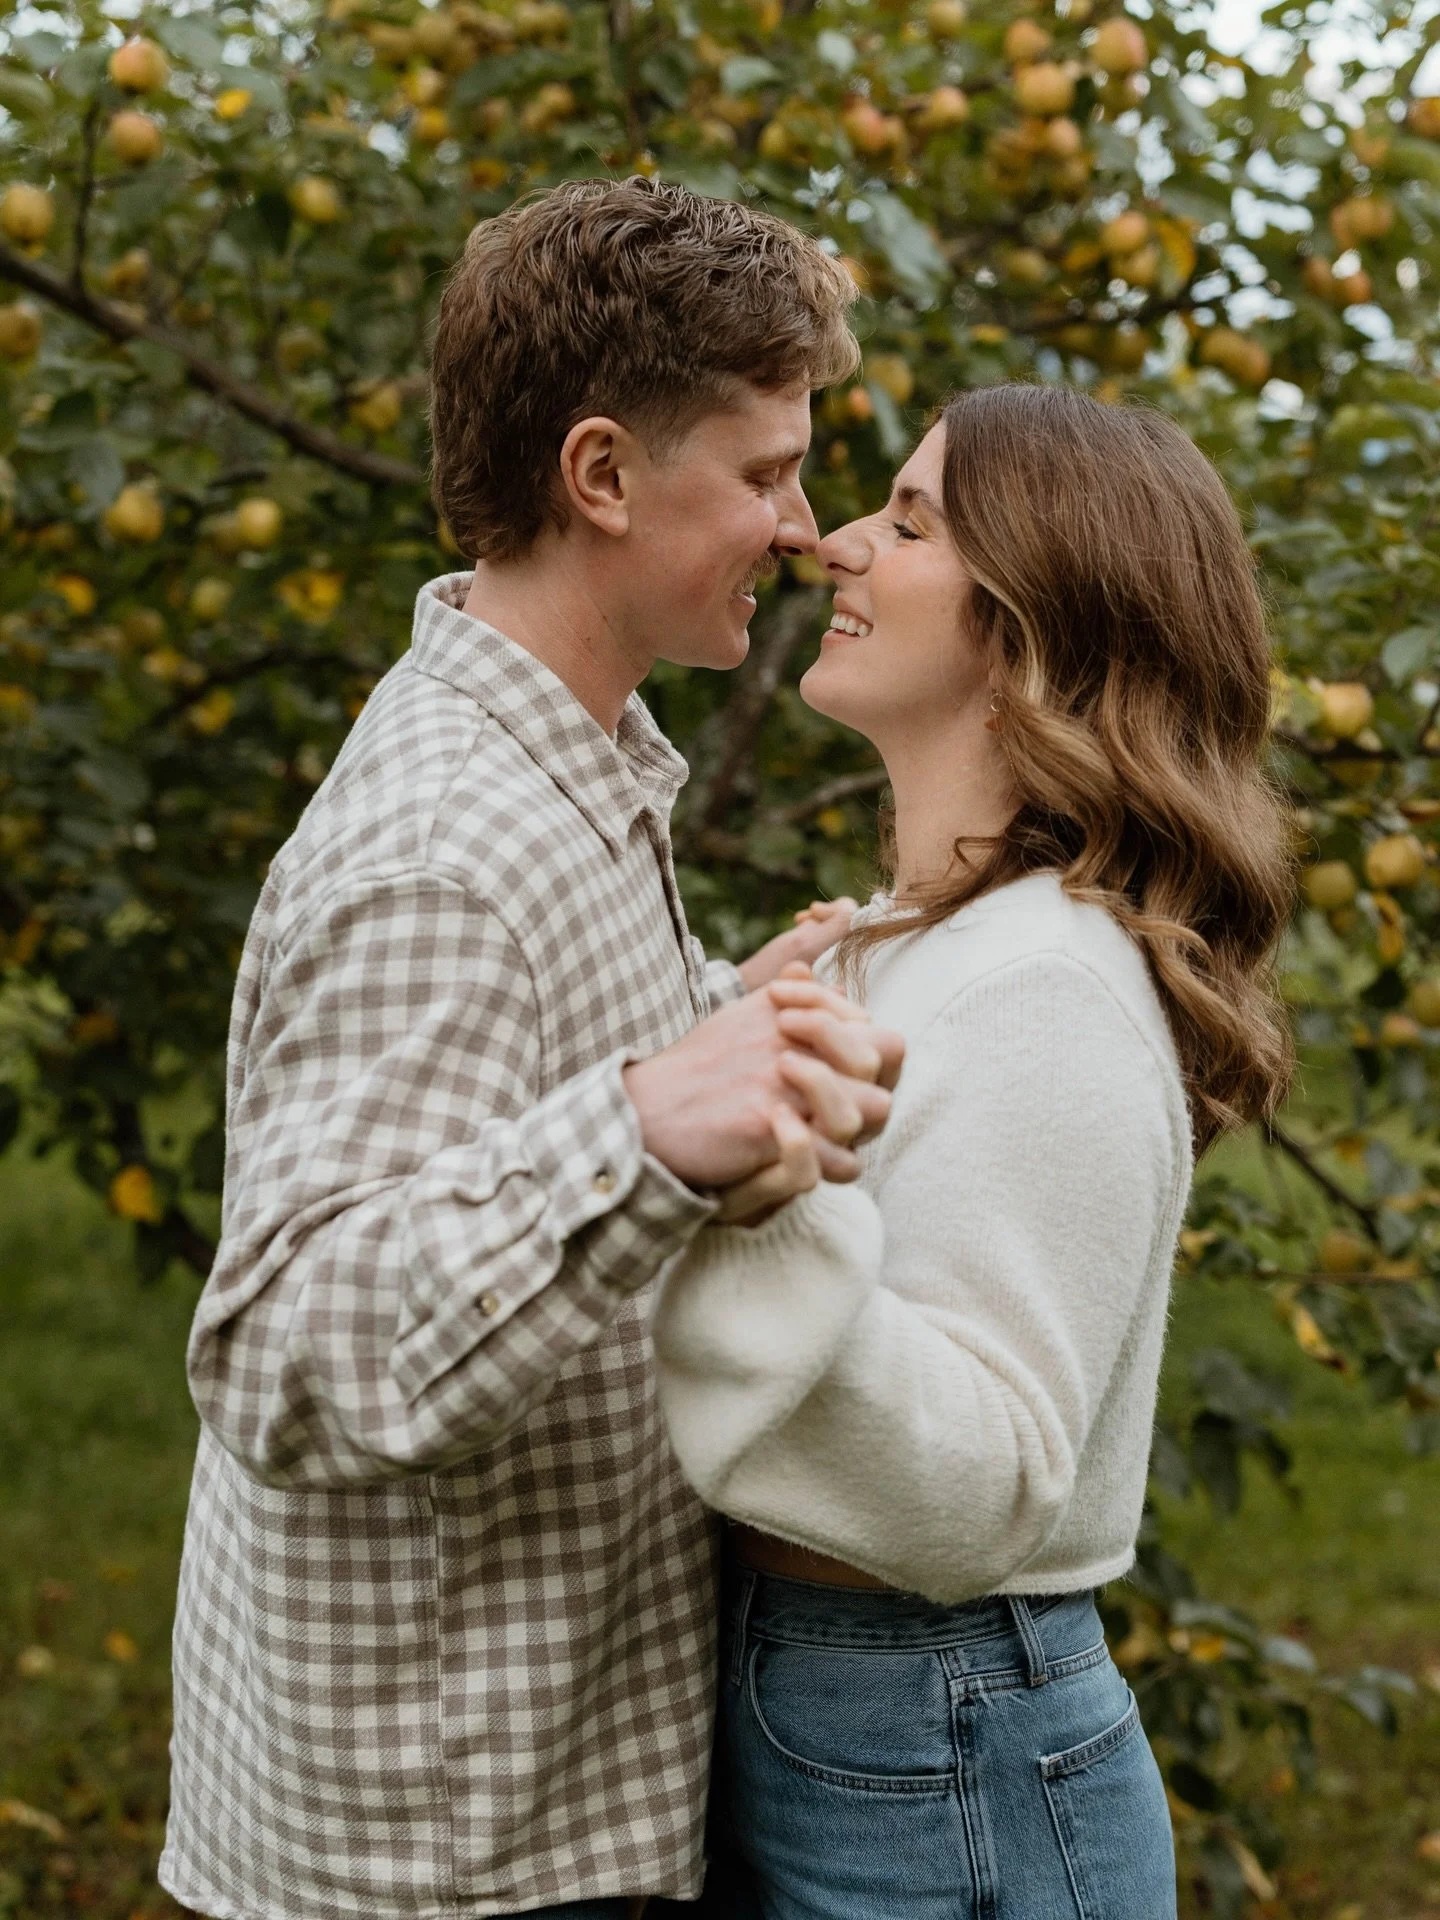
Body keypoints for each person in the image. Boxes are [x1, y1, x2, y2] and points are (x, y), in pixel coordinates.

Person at [158, 177, 905, 1920]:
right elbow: (280, 1346)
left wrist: (723, 1019)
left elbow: (496, 1108)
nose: (805, 526)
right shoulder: (444, 847)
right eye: (767, 470)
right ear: (601, 475)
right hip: (447, 1854)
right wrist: (650, 1125)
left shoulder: (579, 764)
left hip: (529, 1798)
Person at [652, 384, 1296, 1920]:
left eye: (913, 520)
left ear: (1033, 625)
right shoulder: (907, 948)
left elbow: (986, 1484)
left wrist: (755, 1187)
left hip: (941, 1731)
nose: (839, 544)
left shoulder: (1048, 985)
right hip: (851, 1703)